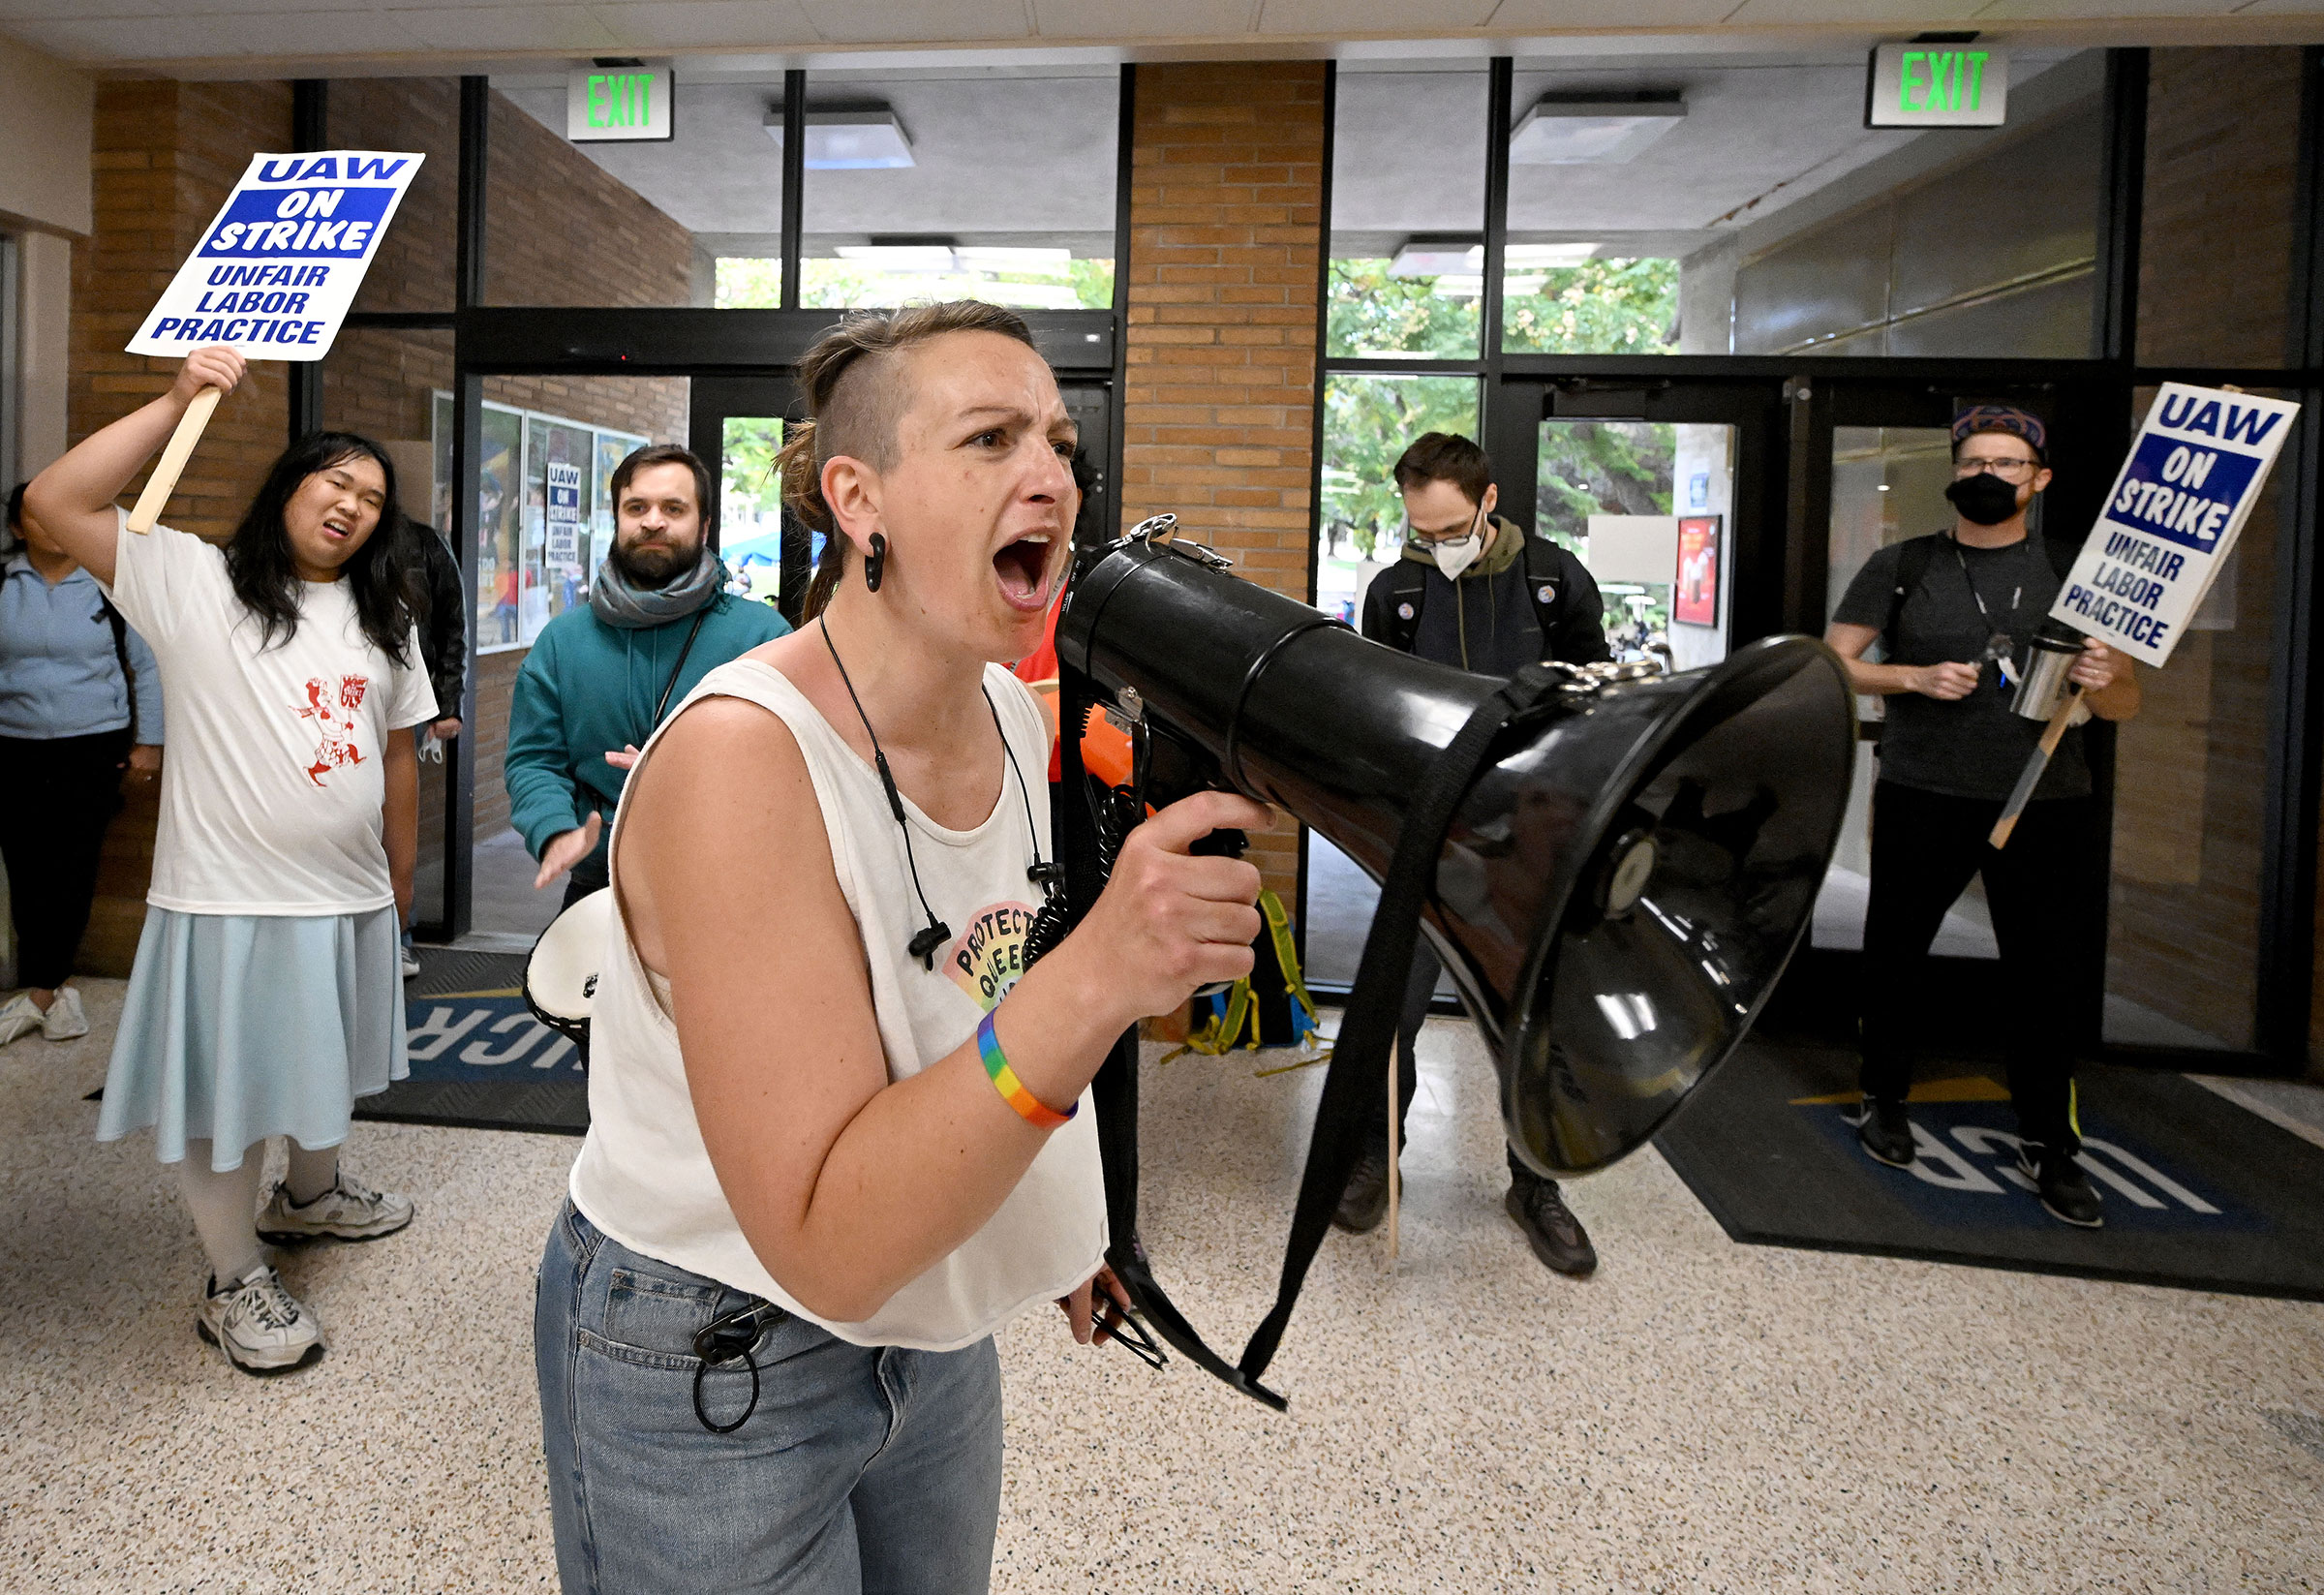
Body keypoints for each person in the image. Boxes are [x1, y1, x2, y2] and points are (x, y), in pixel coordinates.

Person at [533, 301, 1269, 1590]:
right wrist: (1105, 966)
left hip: (933, 1312)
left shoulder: (995, 698)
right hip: (714, 1342)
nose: (1050, 472)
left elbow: (975, 981)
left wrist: (1053, 1214)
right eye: (988, 438)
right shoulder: (740, 761)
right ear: (856, 498)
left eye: (1055, 438)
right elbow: (825, 1234)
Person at [24, 348, 432, 1373]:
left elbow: (398, 757)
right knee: (228, 1099)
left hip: (345, 898)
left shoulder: (387, 619)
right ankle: (230, 1276)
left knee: (325, 1069)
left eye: (373, 498)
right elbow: (56, 499)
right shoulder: (191, 578)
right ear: (288, 487)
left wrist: (401, 878)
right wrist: (176, 400)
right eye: (334, 479)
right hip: (229, 902)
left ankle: (312, 1198)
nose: (352, 503)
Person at [1825, 404, 2140, 1228]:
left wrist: (2105, 676)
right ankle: (1882, 1099)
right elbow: (1831, 662)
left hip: (2044, 797)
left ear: (2039, 478)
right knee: (1895, 950)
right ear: (1954, 473)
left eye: (2006, 463)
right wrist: (1913, 680)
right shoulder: (1904, 565)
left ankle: (2050, 1143)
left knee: (2045, 973)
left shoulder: (2080, 575)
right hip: (1923, 790)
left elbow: (2128, 705)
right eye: (1973, 463)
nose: (1987, 476)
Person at [1345, 430, 1610, 1277]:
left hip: (1527, 843)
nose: (1438, 545)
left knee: (1532, 1024)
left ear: (1488, 501)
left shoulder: (1555, 580)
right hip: (1428, 835)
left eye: (1452, 528)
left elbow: (1595, 702)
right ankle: (1374, 1154)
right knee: (1394, 1012)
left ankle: (1535, 1184)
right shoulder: (1398, 591)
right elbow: (1380, 702)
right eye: (1424, 531)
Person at [505, 444, 789, 910]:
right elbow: (533, 760)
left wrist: (693, 779)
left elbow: (794, 766)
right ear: (617, 519)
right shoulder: (563, 641)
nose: (653, 520)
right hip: (599, 889)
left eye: (673, 508)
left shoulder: (763, 637)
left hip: (730, 892)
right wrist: (555, 830)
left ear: (704, 526)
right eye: (636, 507)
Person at [0, 482, 166, 1044]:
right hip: (14, 747)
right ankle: (42, 985)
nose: (48, 526)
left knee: (72, 865)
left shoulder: (106, 585)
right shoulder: (4, 583)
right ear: (19, 528)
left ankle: (50, 988)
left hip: (92, 746)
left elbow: (148, 667)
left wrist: (150, 743)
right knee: (25, 867)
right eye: (34, 518)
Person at [398, 515, 466, 978]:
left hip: (407, 700)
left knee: (394, 826)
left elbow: (450, 623)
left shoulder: (422, 544)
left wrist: (446, 704)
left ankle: (399, 936)